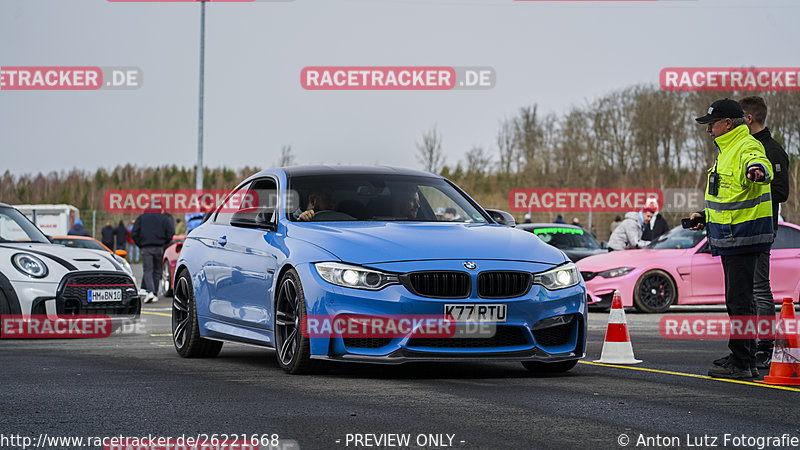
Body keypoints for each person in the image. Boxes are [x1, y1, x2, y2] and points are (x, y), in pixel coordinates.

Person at [690, 98, 773, 380]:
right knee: (740, 301)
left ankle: (741, 363)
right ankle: (744, 359)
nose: (708, 130)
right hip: (732, 236)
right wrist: (705, 216)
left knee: (740, 302)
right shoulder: (725, 151)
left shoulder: (746, 146)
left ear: (728, 124)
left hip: (743, 236)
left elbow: (760, 163)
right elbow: (728, 198)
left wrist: (758, 171)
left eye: (711, 124)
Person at [740, 96, 791, 370]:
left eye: (739, 119)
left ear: (749, 119)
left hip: (761, 227)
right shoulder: (745, 148)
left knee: (759, 288)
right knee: (745, 291)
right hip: (742, 227)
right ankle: (747, 347)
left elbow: (781, 192)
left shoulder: (772, 150)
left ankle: (765, 347)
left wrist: (755, 184)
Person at [132, 207, 175, 303]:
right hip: (159, 247)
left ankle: (150, 292)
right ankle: (154, 293)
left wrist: (140, 244)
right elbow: (171, 232)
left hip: (146, 247)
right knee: (157, 271)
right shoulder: (164, 218)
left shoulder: (142, 218)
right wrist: (164, 243)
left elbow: (134, 233)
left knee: (148, 270)